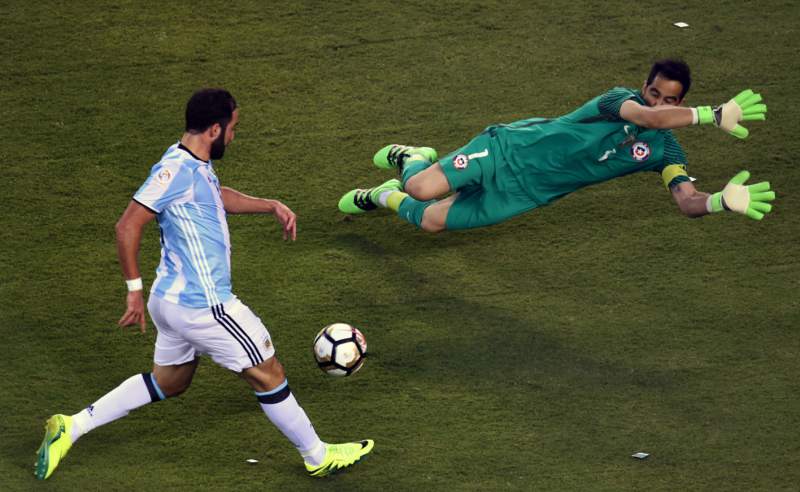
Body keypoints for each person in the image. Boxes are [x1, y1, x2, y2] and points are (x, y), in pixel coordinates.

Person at [35, 89, 373, 480]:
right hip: (205, 305)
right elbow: (127, 224)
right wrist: (132, 289)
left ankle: (71, 425)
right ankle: (317, 455)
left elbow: (213, 196)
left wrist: (269, 204)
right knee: (269, 373)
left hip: (172, 301)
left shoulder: (190, 161)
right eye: (233, 128)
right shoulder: (175, 171)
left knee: (170, 381)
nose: (234, 136)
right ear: (215, 128)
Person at [338, 59, 775, 231]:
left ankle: (382, 195)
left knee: (431, 221)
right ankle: (412, 159)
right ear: (645, 87)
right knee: (422, 188)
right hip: (507, 151)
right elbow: (647, 117)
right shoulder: (618, 101)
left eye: (670, 99)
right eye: (654, 92)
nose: (658, 102)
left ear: (681, 101)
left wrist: (720, 201)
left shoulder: (665, 152)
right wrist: (712, 115)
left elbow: (687, 201)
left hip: (527, 193)